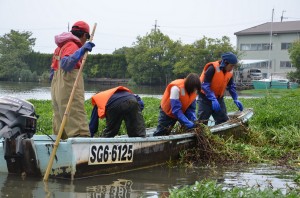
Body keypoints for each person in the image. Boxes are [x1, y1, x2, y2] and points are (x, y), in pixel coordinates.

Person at [50, 21, 95, 139]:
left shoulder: (60, 47)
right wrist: (81, 50)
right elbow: (66, 64)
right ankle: (80, 140)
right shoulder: (72, 45)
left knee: (60, 114)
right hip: (68, 84)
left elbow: (52, 70)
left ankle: (62, 140)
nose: (86, 40)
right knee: (74, 110)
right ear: (84, 35)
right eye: (88, 37)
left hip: (57, 86)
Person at [197, 52, 243, 125]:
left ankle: (221, 135)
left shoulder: (230, 72)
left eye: (233, 66)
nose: (232, 68)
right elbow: (205, 85)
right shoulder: (212, 68)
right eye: (231, 66)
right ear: (225, 63)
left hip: (219, 99)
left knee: (223, 121)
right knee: (202, 122)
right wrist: (213, 98)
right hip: (205, 99)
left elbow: (231, 86)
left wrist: (235, 98)